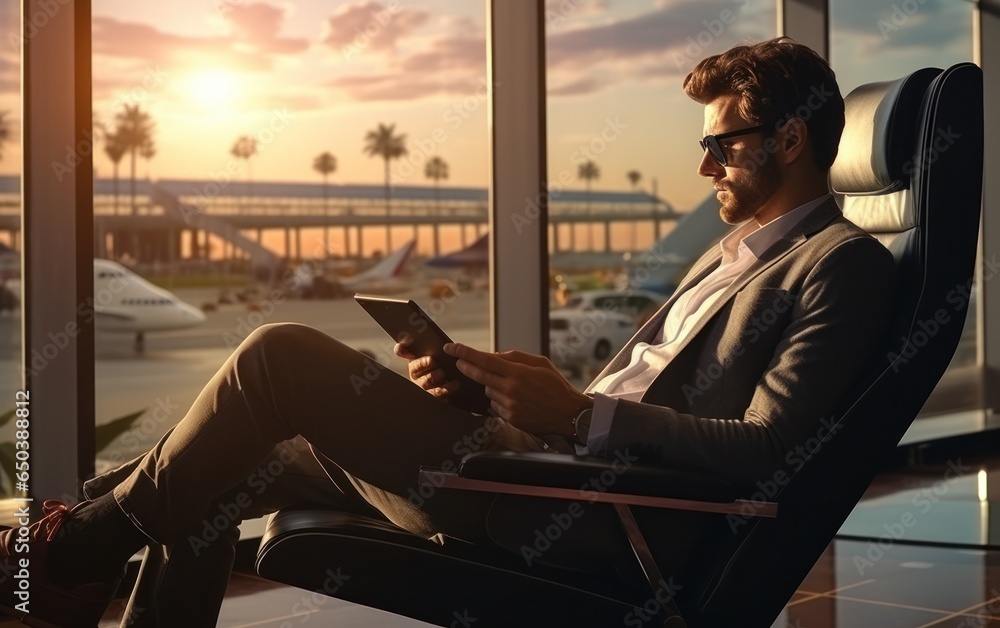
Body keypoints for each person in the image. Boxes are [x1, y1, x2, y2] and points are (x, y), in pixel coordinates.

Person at [1, 37, 895, 627]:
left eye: (724, 143)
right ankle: (78, 553)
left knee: (277, 355)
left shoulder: (839, 265)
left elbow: (772, 451)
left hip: (600, 517)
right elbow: (644, 388)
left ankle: (70, 550)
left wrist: (577, 418)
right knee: (224, 466)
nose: (703, 163)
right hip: (540, 461)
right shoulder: (734, 252)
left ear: (789, 141)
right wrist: (495, 390)